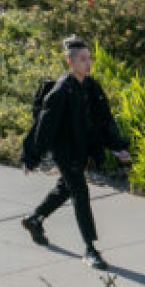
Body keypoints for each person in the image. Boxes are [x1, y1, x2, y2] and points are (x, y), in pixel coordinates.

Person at [20, 35, 130, 269]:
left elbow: (104, 121)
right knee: (80, 192)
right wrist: (32, 157)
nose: (88, 63)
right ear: (70, 62)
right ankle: (90, 249)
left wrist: (117, 147)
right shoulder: (61, 90)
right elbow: (44, 126)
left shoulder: (92, 87)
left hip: (82, 149)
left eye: (89, 58)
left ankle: (35, 218)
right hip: (65, 152)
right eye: (82, 59)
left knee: (65, 188)